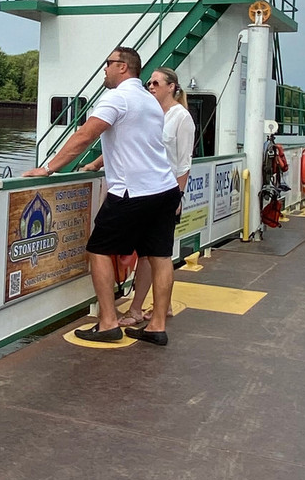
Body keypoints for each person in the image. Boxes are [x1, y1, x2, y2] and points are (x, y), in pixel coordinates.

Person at [24, 47, 181, 345]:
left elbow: (85, 135)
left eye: (108, 63)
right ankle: (156, 326)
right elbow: (134, 142)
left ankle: (108, 322)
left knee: (98, 250)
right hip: (164, 189)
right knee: (160, 257)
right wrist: (98, 164)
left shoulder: (117, 98)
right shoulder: (150, 101)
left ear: (123, 67)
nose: (104, 70)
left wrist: (48, 168)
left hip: (132, 191)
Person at [83, 66, 195, 326]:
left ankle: (136, 311)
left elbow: (183, 163)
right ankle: (155, 317)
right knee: (154, 254)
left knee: (150, 254)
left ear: (172, 87)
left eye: (156, 83)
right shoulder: (150, 110)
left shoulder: (181, 117)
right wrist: (96, 164)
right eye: (149, 83)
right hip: (144, 190)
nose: (151, 87)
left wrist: (179, 196)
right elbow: (129, 144)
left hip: (160, 190)